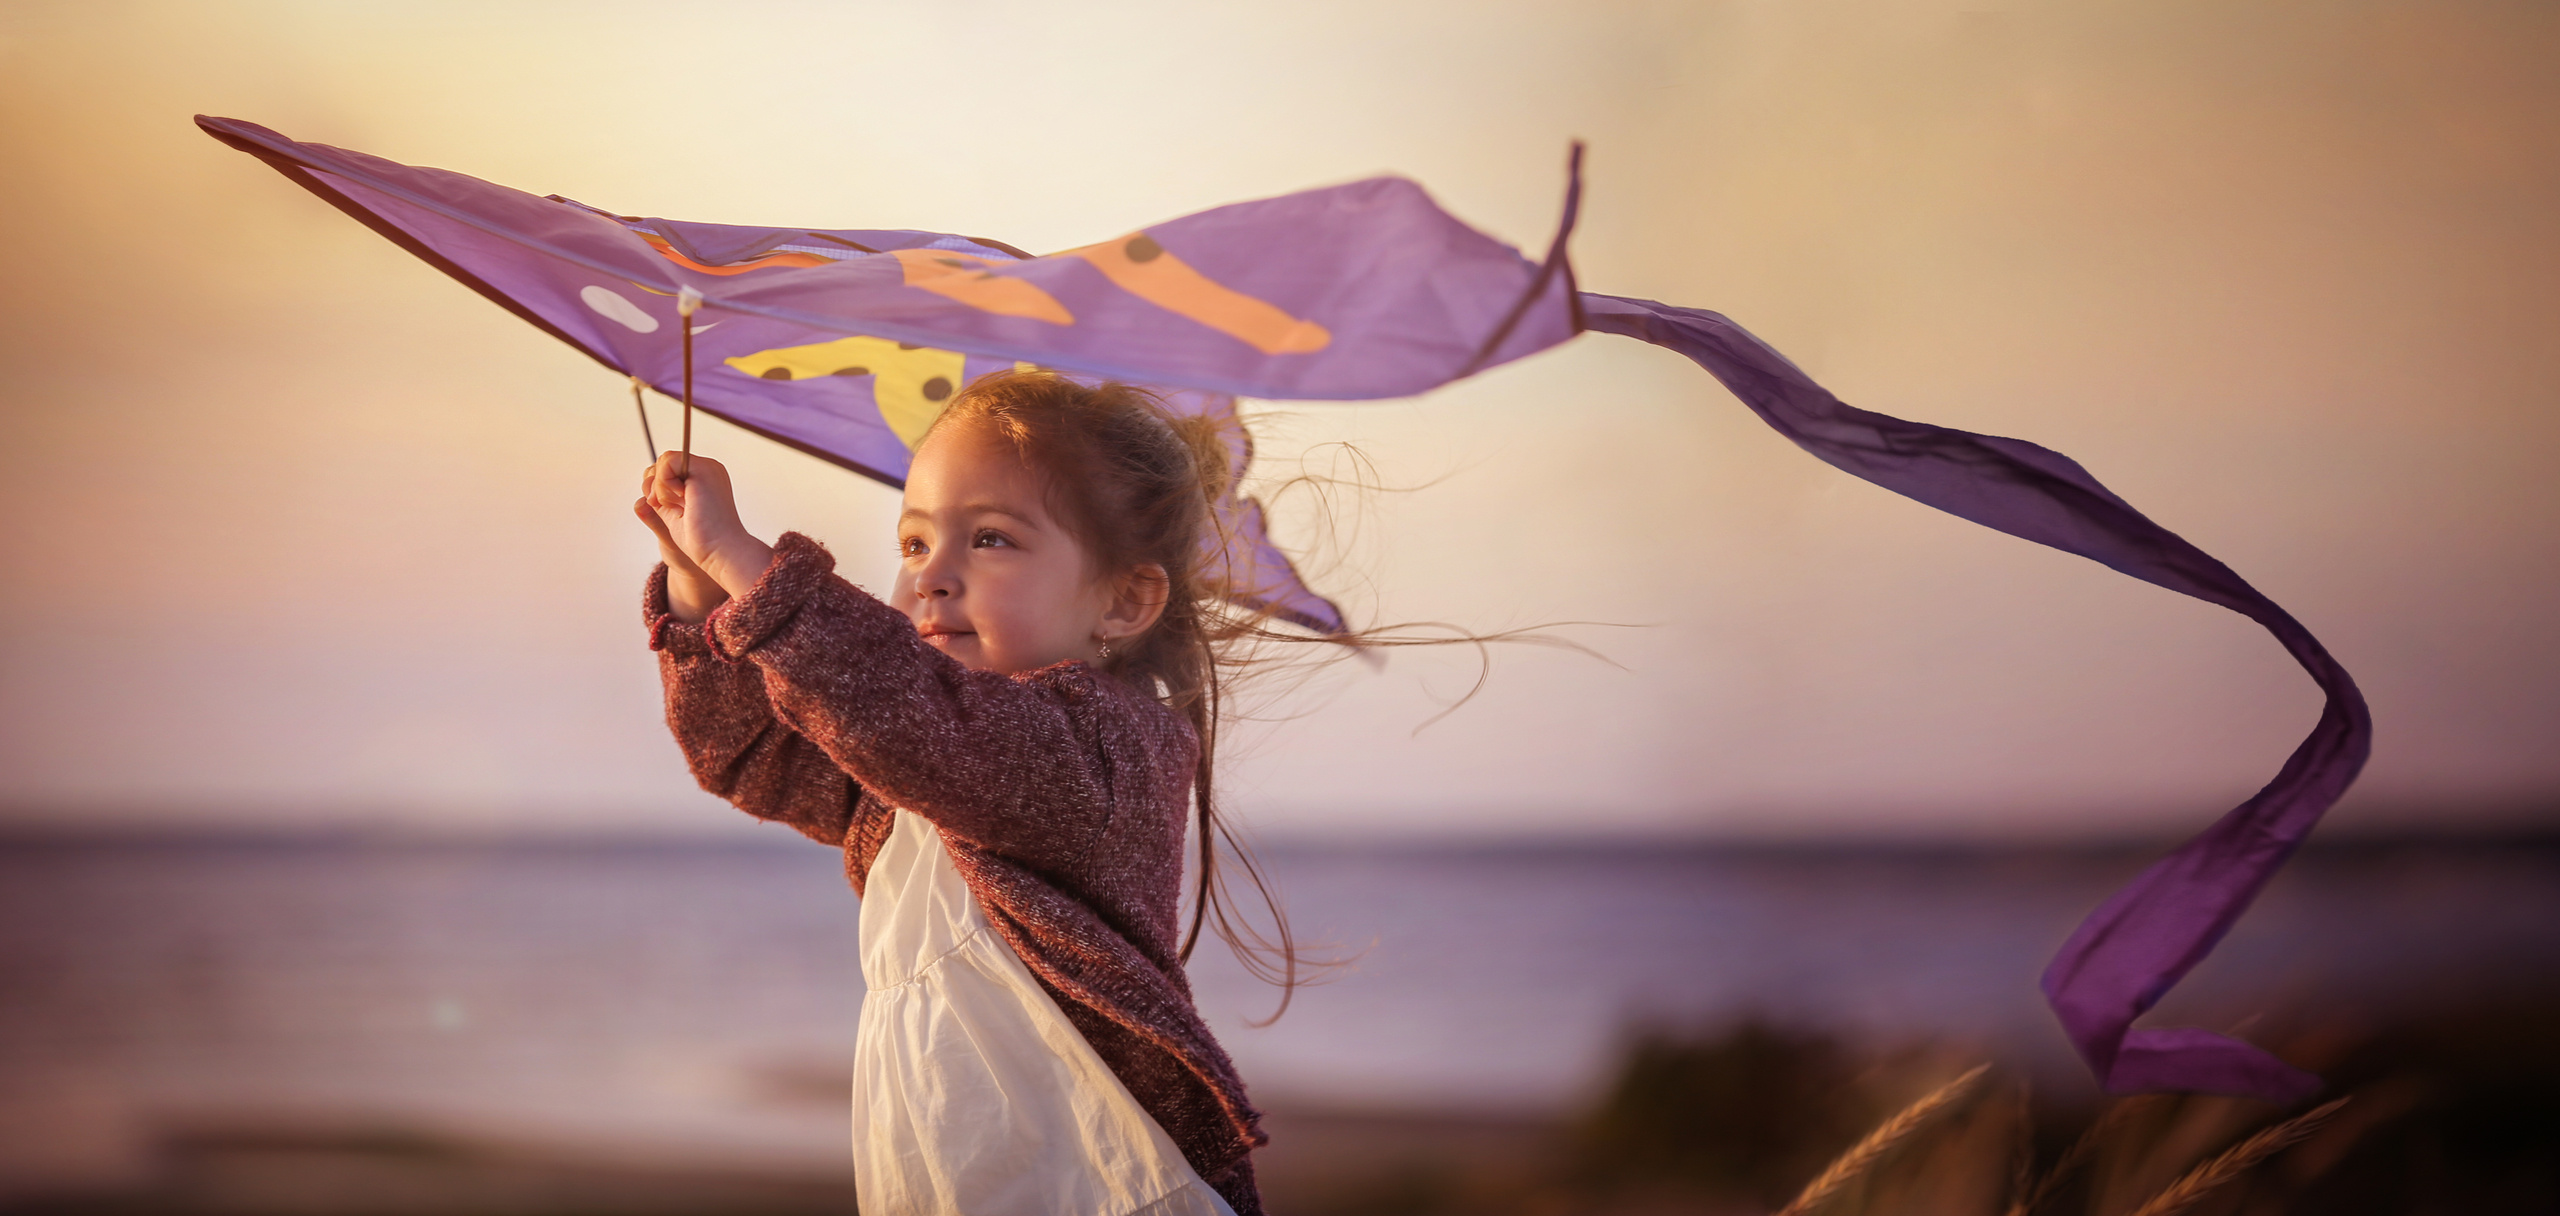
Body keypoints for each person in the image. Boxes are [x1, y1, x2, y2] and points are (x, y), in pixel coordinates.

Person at [633, 370, 1284, 1216]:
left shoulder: (1103, 750)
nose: (933, 577)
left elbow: (912, 721)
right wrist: (700, 593)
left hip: (1102, 1186)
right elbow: (756, 755)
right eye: (913, 544)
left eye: (991, 540)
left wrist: (753, 574)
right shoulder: (920, 762)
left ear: (1125, 601)